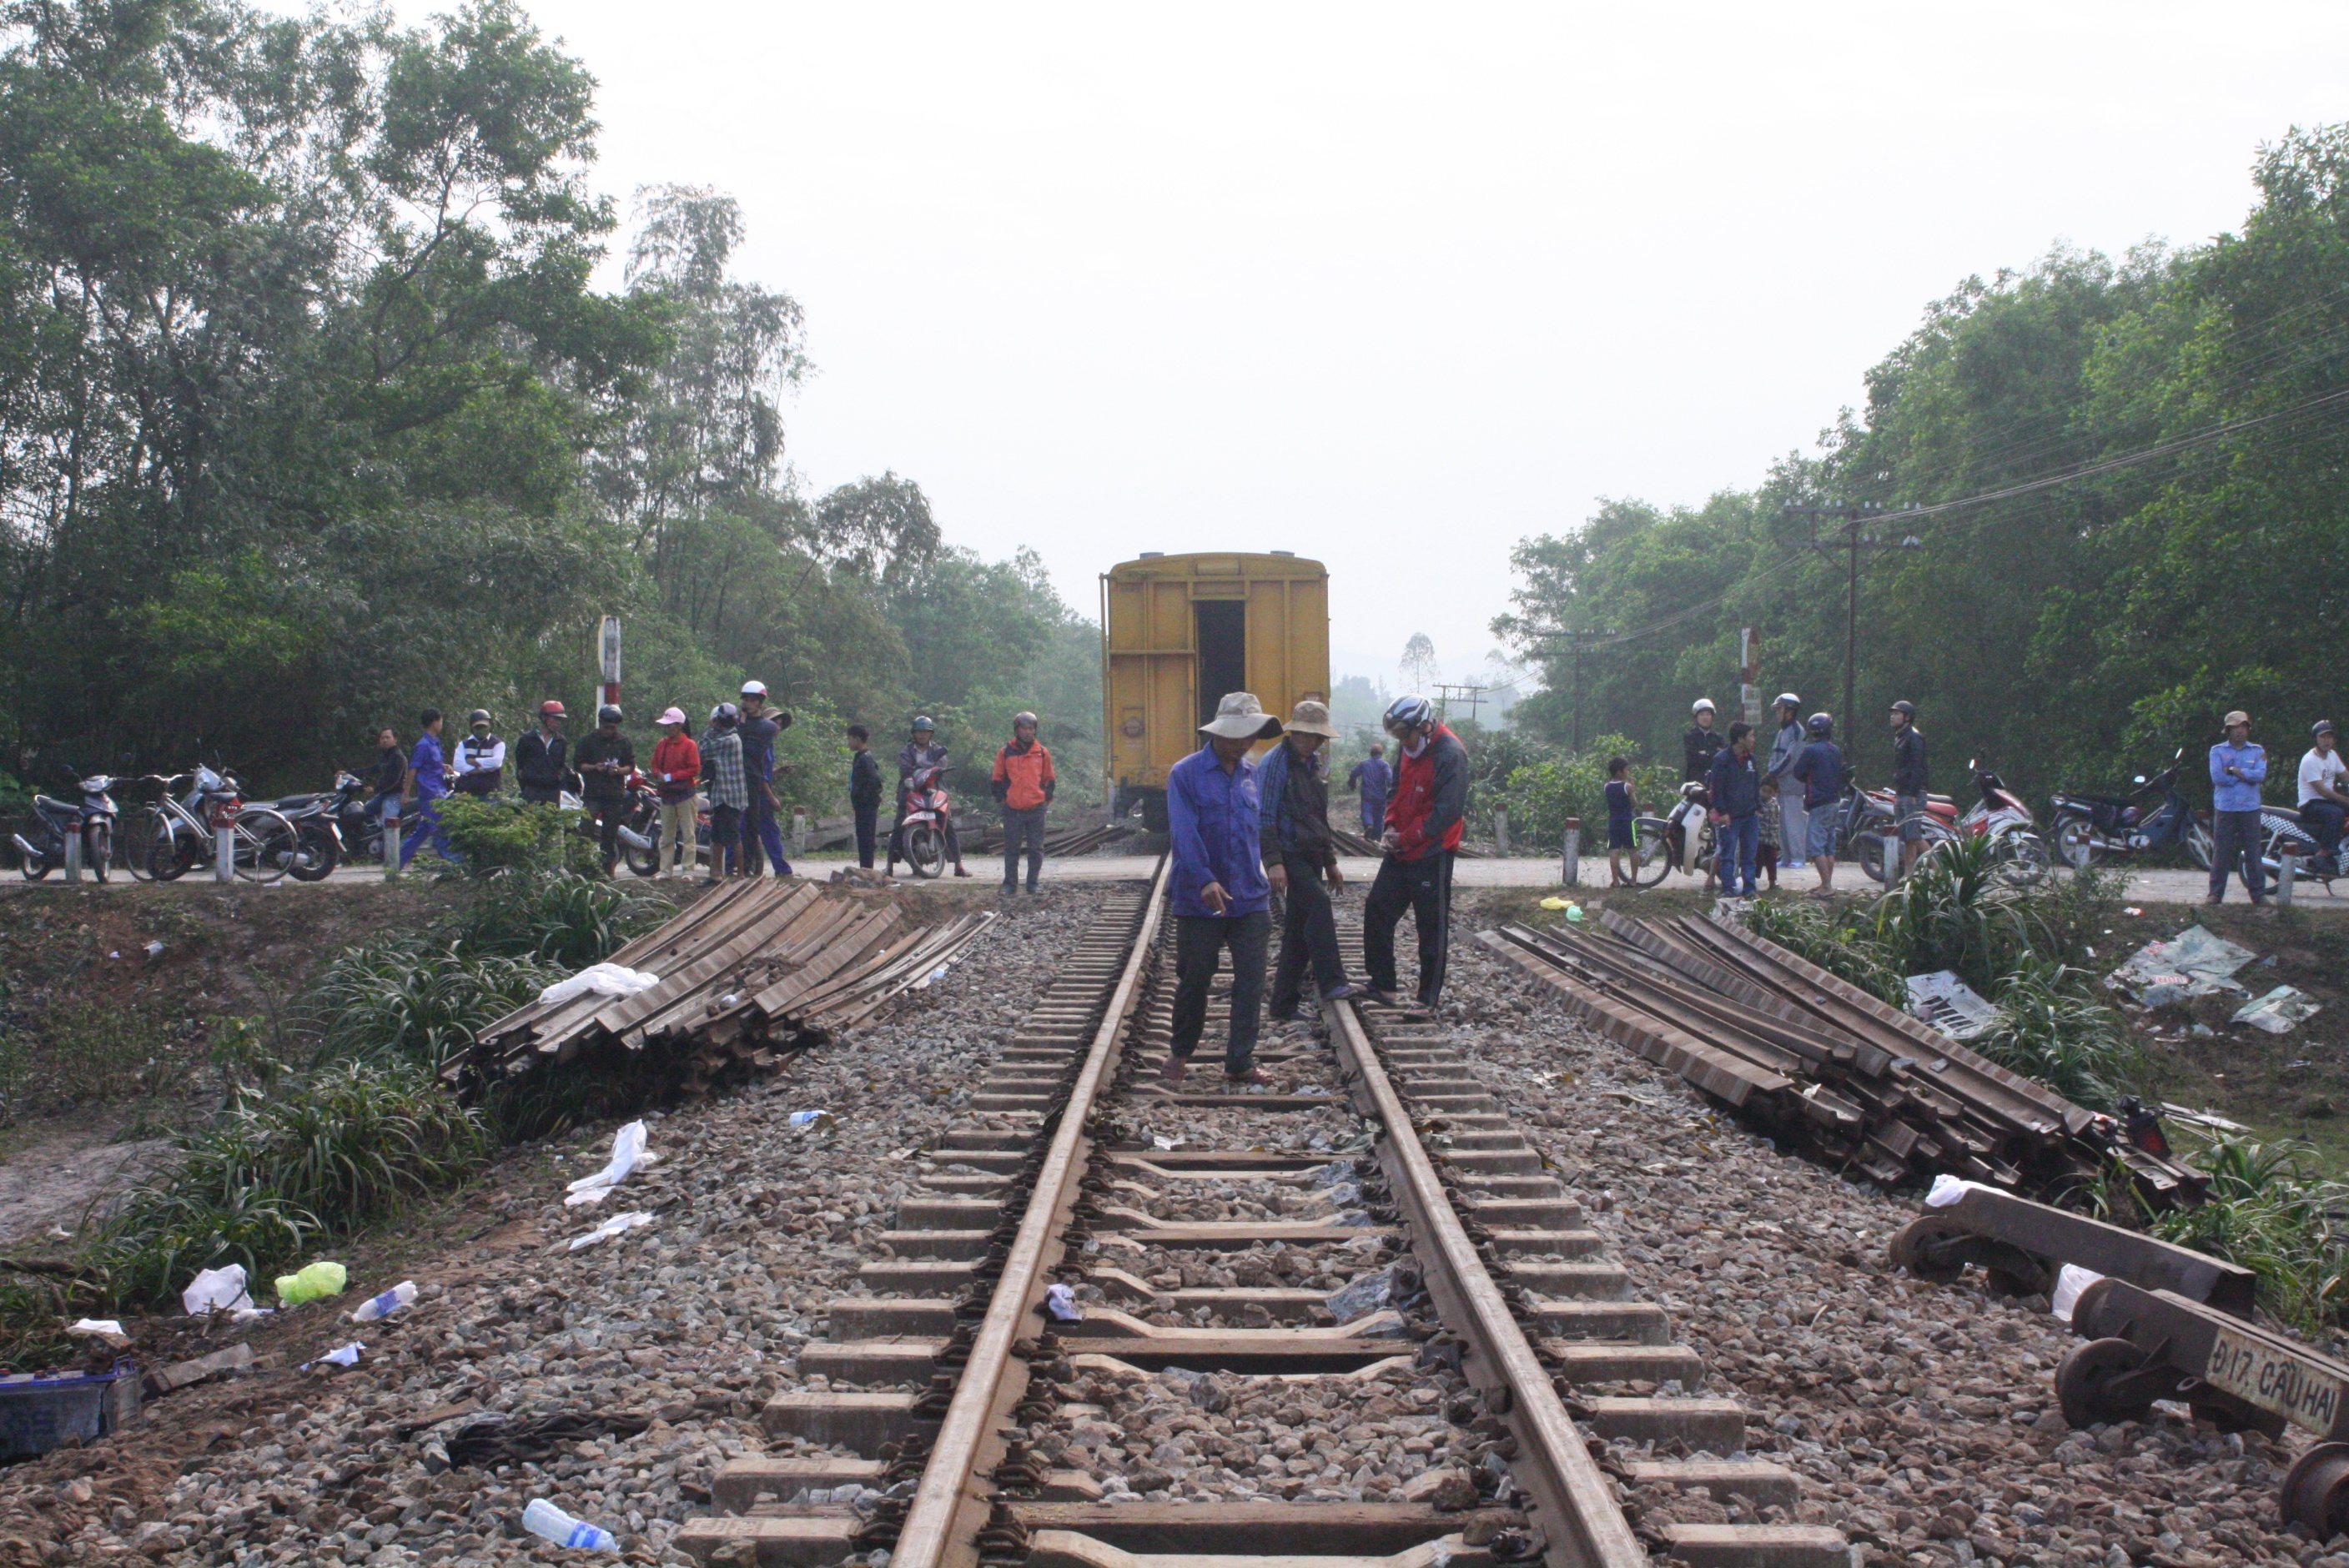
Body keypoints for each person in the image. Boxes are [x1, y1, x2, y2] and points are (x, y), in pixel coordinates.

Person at [1164, 692, 1282, 1086]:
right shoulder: (1185, 774)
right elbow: (1184, 831)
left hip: (1250, 896)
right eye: (1239, 735)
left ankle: (1240, 1062)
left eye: (1251, 735)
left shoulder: (1252, 775)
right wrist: (1204, 878)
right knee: (1195, 977)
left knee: (1251, 980)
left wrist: (1275, 863)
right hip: (1200, 899)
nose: (1246, 742)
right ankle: (1180, 1053)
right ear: (1219, 733)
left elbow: (1261, 829)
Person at [1258, 700, 1366, 1026]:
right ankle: (1332, 982)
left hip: (1310, 854)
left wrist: (1331, 861)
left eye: (1318, 737)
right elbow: (1264, 815)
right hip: (1290, 854)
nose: (1312, 742)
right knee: (1319, 906)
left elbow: (1318, 817)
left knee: (1297, 932)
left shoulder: (1312, 765)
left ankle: (1282, 1003)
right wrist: (1273, 862)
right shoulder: (1276, 763)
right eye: (1306, 735)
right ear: (1294, 733)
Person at [1365, 694, 1467, 1017]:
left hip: (1432, 853)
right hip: (1402, 849)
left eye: (1405, 735)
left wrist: (1410, 837)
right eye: (1396, 736)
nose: (1401, 742)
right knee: (1377, 909)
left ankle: (1427, 999)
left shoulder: (1451, 755)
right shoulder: (1408, 748)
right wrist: (1391, 824)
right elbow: (1396, 789)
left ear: (1424, 726)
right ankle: (1383, 985)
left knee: (1431, 927)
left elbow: (1447, 812)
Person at [889, 717, 970, 877]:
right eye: (919, 732)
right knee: (899, 823)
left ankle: (958, 866)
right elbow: (905, 769)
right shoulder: (906, 751)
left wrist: (934, 771)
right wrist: (910, 778)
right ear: (914, 734)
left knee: (949, 823)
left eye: (925, 732)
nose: (922, 735)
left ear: (931, 734)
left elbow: (942, 765)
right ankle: (889, 866)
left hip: (935, 788)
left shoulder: (938, 750)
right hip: (910, 788)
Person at [991, 711, 1057, 894]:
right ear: (1017, 730)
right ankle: (1010, 884)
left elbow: (1049, 779)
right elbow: (997, 779)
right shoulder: (1005, 753)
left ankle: (1032, 883)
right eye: (1024, 728)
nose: (1027, 732)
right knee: (1012, 848)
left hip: (1036, 808)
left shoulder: (1042, 753)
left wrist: (1044, 799)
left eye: (1031, 729)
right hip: (1012, 809)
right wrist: (1005, 799)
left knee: (1036, 848)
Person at [2208, 710, 2270, 906]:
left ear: (2248, 729)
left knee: (2253, 852)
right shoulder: (2217, 751)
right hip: (2226, 808)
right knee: (2222, 852)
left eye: (2242, 726)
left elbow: (2260, 775)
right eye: (2235, 727)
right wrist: (2245, 776)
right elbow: (2218, 778)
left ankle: (2258, 895)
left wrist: (2235, 770)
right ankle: (2215, 894)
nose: (2239, 731)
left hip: (2250, 809)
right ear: (2228, 730)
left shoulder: (2257, 750)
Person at [736, 681, 794, 877]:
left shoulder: (768, 744)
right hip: (759, 793)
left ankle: (771, 867)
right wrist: (771, 797)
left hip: (759, 790)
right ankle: (780, 868)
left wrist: (777, 772)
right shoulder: (752, 734)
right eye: (776, 723)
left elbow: (763, 771)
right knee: (764, 831)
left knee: (755, 830)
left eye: (780, 725)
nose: (778, 727)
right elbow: (759, 774)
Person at [572, 705, 636, 874]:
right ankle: (582, 868)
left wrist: (619, 771)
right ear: (601, 723)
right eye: (606, 727)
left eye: (613, 728)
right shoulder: (587, 741)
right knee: (585, 831)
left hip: (614, 795)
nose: (609, 731)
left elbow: (630, 766)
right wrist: (595, 767)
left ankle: (606, 871)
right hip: (593, 794)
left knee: (610, 836)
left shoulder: (623, 742)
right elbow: (578, 765)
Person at [1790, 712, 1846, 898]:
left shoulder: (1811, 751)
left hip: (1818, 803)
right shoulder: (1835, 750)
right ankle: (1826, 884)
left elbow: (1798, 772)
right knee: (1829, 846)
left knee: (1815, 848)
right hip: (1833, 801)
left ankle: (1827, 886)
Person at [1707, 721, 1762, 897]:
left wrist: (1757, 807)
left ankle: (1749, 889)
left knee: (1749, 855)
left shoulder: (1751, 760)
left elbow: (1755, 786)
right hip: (1730, 816)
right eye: (1751, 736)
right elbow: (1717, 789)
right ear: (1740, 739)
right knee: (1728, 853)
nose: (1754, 739)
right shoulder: (1721, 759)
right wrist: (1723, 813)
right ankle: (1728, 889)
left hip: (1750, 815)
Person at [649, 707, 701, 878]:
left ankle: (688, 870)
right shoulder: (661, 744)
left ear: (679, 726)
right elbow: (655, 765)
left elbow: (694, 769)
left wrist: (671, 777)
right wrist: (659, 775)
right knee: (667, 835)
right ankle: (665, 870)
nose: (667, 729)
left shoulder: (689, 745)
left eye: (671, 725)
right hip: (667, 795)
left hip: (685, 794)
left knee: (688, 834)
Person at [398, 709, 451, 868]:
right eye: (441, 721)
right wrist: (405, 794)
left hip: (439, 789)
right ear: (434, 722)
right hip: (430, 794)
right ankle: (453, 864)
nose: (442, 724)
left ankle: (396, 863)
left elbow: (431, 765)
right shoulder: (423, 745)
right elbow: (413, 769)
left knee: (422, 832)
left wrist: (443, 767)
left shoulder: (435, 743)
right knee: (440, 830)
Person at [701, 703, 747, 883]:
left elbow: (703, 749)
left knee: (733, 836)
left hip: (730, 796)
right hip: (721, 794)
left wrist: (711, 727)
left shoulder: (730, 740)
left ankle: (741, 874)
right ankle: (716, 874)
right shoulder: (728, 736)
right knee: (717, 837)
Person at [1763, 693, 1806, 881]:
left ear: (1790, 710)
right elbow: (1775, 755)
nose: (1777, 713)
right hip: (1780, 785)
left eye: (1780, 709)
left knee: (1793, 823)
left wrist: (1773, 772)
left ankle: (1798, 857)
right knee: (1781, 824)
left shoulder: (1797, 731)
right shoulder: (1782, 732)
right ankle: (1787, 856)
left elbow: (1791, 758)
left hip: (1793, 785)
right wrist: (1772, 772)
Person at [2299, 721, 2347, 877]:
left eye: (2330, 737)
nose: (2327, 740)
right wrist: (2346, 800)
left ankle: (2343, 846)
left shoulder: (2332, 755)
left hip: (2325, 801)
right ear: (2316, 739)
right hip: (2310, 804)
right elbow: (2324, 792)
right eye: (2323, 737)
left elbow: (2345, 776)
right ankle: (2324, 853)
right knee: (2336, 814)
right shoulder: (2310, 760)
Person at [1889, 700, 1929, 875]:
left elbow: (1917, 767)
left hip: (1912, 794)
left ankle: (1939, 870)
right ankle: (1909, 875)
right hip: (1902, 792)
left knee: (1914, 836)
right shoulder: (1901, 736)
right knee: (1906, 838)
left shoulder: (1914, 737)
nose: (1892, 716)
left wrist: (1913, 792)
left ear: (1907, 717)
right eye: (1893, 713)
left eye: (1897, 713)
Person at [515, 701, 569, 805]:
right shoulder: (527, 740)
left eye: (560, 719)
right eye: (555, 718)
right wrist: (526, 785)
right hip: (531, 791)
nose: (558, 722)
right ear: (544, 718)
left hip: (552, 793)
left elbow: (561, 766)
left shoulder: (561, 741)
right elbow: (520, 766)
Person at [847, 725, 884, 871]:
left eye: (849, 739)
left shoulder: (865, 759)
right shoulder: (860, 757)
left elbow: (875, 781)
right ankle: (865, 868)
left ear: (857, 739)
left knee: (866, 838)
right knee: (863, 837)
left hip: (866, 806)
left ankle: (867, 869)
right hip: (862, 806)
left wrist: (864, 799)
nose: (848, 743)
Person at [453, 710, 506, 797]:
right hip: (466, 794)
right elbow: (458, 765)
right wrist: (484, 769)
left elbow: (496, 763)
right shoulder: (464, 744)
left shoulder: (498, 744)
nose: (481, 729)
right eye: (478, 727)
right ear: (472, 728)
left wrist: (472, 761)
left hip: (490, 793)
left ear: (490, 726)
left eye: (483, 726)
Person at [1604, 756, 1639, 886]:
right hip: (1627, 822)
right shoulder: (1627, 787)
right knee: (1632, 850)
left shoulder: (1607, 787)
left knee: (1614, 851)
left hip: (1613, 822)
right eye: (1627, 770)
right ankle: (1633, 880)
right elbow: (1634, 803)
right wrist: (1633, 790)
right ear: (1620, 772)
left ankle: (1616, 880)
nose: (1628, 772)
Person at [1347, 743, 1393, 836]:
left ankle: (1369, 825)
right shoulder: (1384, 765)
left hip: (1367, 794)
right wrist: (1391, 792)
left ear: (1371, 753)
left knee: (1366, 811)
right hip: (1381, 796)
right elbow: (1390, 779)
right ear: (1381, 754)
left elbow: (1354, 773)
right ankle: (1377, 838)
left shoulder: (1364, 764)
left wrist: (1352, 784)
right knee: (1379, 817)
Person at [1683, 698, 1724, 785]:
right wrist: (1713, 753)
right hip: (1695, 782)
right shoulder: (1690, 736)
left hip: (1715, 781)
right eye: (1701, 714)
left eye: (1708, 714)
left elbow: (1722, 758)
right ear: (1696, 717)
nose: (1705, 717)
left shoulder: (1718, 737)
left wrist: (1705, 754)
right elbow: (1692, 759)